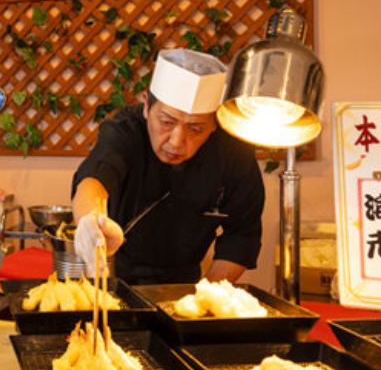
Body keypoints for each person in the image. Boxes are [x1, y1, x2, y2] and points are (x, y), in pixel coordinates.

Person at [71, 49, 265, 284]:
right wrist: (89, 220)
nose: (176, 141)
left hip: (186, 279)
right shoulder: (125, 131)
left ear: (215, 123)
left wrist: (203, 298)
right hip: (111, 276)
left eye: (195, 129)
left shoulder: (232, 148)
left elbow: (242, 235)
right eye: (166, 121)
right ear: (145, 106)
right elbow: (95, 179)